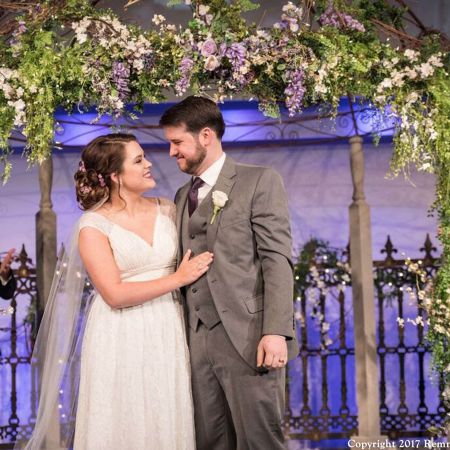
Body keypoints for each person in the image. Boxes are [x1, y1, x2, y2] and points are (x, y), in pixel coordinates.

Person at [21, 133, 212, 450]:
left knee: (166, 412)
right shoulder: (93, 225)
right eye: (138, 160)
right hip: (121, 331)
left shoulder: (167, 209)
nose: (149, 164)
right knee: (127, 416)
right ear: (115, 175)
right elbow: (114, 294)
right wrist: (178, 279)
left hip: (168, 324)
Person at [160, 96, 298, 450]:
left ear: (206, 136)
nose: (172, 152)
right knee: (210, 441)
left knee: (259, 440)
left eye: (177, 142)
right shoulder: (181, 195)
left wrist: (275, 331)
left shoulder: (259, 181)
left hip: (248, 337)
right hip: (196, 340)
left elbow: (277, 260)